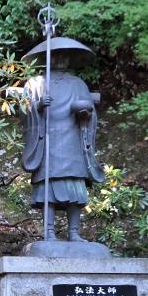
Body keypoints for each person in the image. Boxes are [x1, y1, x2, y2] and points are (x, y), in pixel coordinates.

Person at [20, 37, 105, 242]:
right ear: (47, 59)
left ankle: (74, 232)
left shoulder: (78, 84)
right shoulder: (36, 83)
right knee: (47, 186)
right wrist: (38, 105)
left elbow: (90, 111)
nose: (60, 59)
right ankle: (49, 231)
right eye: (56, 55)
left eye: (64, 56)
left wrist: (85, 114)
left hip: (72, 140)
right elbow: (23, 111)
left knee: (75, 185)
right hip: (47, 139)